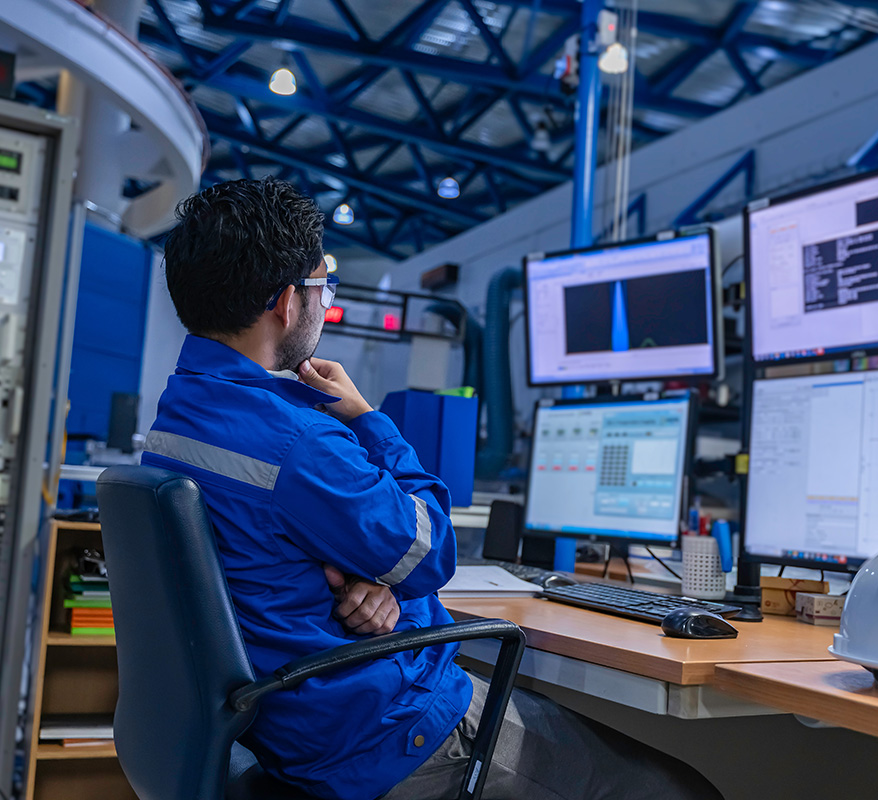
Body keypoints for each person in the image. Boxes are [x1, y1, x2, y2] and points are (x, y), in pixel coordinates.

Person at [142, 177, 723, 800]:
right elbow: (430, 552)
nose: (323, 303)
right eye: (322, 288)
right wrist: (368, 419)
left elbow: (290, 555)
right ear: (287, 302)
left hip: (287, 724)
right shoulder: (299, 443)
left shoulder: (178, 416)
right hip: (385, 736)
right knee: (684, 791)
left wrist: (385, 584)